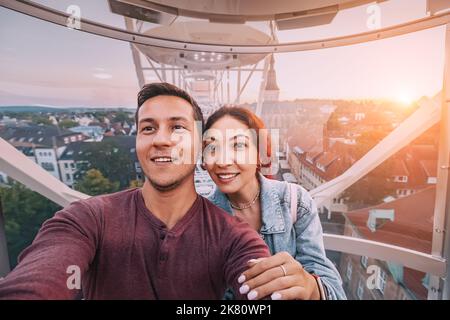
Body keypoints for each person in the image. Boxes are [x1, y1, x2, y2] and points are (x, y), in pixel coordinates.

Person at [0, 83, 270, 299]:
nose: (161, 140)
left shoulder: (234, 237)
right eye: (148, 128)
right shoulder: (89, 218)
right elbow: (45, 271)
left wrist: (306, 287)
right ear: (138, 141)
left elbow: (262, 288)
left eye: (177, 127)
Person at [203, 106, 346, 300]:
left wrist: (311, 287)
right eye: (212, 148)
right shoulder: (200, 221)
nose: (222, 160)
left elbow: (334, 290)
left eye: (238, 146)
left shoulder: (296, 202)